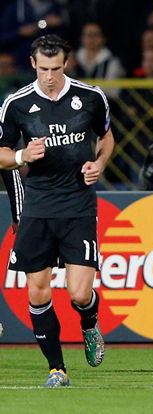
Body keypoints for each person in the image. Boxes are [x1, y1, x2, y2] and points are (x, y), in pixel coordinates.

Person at [0, 34, 114, 387]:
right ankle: (56, 368)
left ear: (67, 63)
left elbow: (107, 137)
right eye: (43, 68)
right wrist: (21, 156)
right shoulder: (16, 104)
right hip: (37, 208)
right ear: (33, 64)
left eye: (56, 68)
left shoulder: (91, 97)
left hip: (78, 206)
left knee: (79, 293)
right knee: (38, 291)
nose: (50, 76)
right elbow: (1, 153)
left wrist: (99, 163)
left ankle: (90, 322)